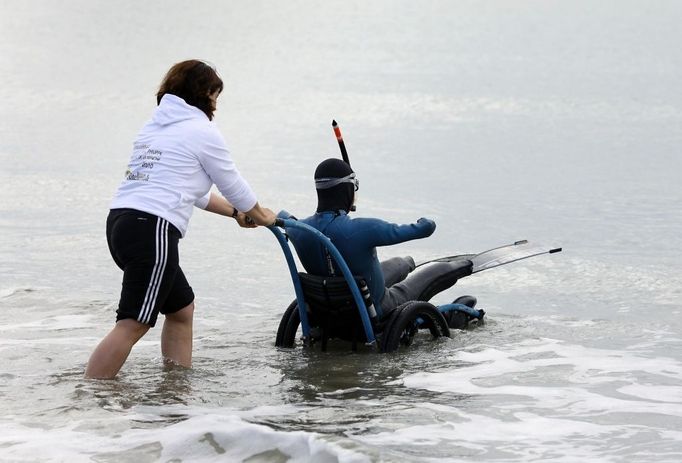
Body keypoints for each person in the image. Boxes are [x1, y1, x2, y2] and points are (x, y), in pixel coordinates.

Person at [85, 60, 277, 379]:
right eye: (215, 95)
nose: (216, 104)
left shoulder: (157, 128)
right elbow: (233, 183)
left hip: (121, 223)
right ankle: (88, 398)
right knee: (134, 322)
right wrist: (262, 215)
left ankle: (175, 388)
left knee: (181, 309)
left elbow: (193, 192)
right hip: (153, 229)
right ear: (203, 93)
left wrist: (234, 213)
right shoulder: (202, 131)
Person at [282, 158, 472, 322]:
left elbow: (282, 217)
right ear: (347, 191)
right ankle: (466, 265)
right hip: (375, 307)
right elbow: (426, 228)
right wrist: (426, 221)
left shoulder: (298, 230)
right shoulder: (365, 228)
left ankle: (408, 263)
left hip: (329, 306)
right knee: (436, 270)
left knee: (401, 263)